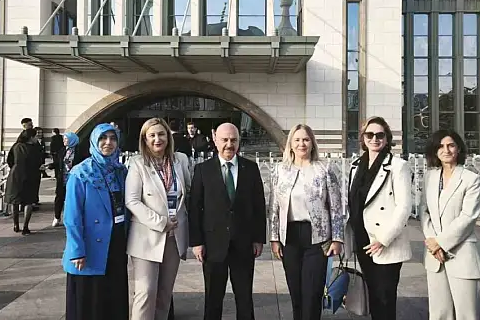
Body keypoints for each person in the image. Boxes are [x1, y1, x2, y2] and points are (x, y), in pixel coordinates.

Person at [188, 123, 266, 320]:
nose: (229, 145)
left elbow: (259, 205)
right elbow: (195, 208)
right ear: (215, 140)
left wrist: (258, 238)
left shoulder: (251, 168)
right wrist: (197, 242)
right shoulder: (203, 170)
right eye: (225, 140)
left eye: (233, 140)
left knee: (245, 298)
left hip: (243, 243)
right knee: (213, 299)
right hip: (213, 245)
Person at [269, 124, 344, 320]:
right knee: (296, 294)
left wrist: (337, 238)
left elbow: (336, 207)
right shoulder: (280, 170)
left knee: (312, 294)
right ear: (290, 144)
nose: (301, 144)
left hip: (317, 239)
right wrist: (274, 238)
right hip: (290, 237)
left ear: (312, 143)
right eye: (297, 140)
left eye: (306, 139)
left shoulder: (325, 169)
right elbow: (274, 207)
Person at [344, 116, 412, 320]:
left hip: (384, 241)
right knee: (373, 295)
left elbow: (404, 207)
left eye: (380, 135)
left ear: (387, 138)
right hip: (363, 240)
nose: (374, 139)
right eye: (370, 135)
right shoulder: (356, 166)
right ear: (363, 138)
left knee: (385, 297)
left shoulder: (398, 166)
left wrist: (383, 239)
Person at [126, 117, 192, 320]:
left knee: (164, 294)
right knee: (146, 292)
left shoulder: (180, 160)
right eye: (152, 135)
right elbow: (132, 201)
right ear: (144, 139)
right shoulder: (137, 163)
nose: (157, 139)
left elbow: (189, 192)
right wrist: (161, 222)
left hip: (174, 237)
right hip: (147, 236)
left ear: (169, 136)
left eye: (161, 134)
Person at [62, 123, 129, 320]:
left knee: (113, 298)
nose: (108, 142)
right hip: (89, 246)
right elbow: (72, 215)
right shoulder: (81, 173)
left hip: (116, 243)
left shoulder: (120, 171)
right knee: (89, 301)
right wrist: (77, 250)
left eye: (113, 138)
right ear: (94, 141)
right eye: (103, 138)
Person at [420, 129, 480, 320]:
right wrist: (432, 242)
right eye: (440, 146)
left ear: (459, 149)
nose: (446, 150)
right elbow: (424, 211)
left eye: (451, 145)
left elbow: (468, 217)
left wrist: (440, 243)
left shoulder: (471, 179)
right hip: (434, 256)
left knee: (467, 314)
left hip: (461, 253)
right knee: (439, 314)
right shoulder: (430, 177)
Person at [5, 128, 42, 235]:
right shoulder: (35, 148)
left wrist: (16, 167)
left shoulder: (16, 146)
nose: (37, 138)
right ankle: (25, 226)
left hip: (15, 175)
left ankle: (15, 224)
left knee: (15, 201)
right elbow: (39, 162)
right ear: (31, 137)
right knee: (28, 201)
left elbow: (9, 160)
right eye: (35, 136)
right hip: (30, 175)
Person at [53, 132, 79, 227]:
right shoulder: (62, 150)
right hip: (62, 178)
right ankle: (57, 217)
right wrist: (50, 166)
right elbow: (58, 162)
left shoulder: (79, 151)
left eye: (66, 139)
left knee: (72, 198)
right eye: (64, 138)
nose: (64, 140)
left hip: (74, 178)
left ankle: (71, 217)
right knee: (59, 197)